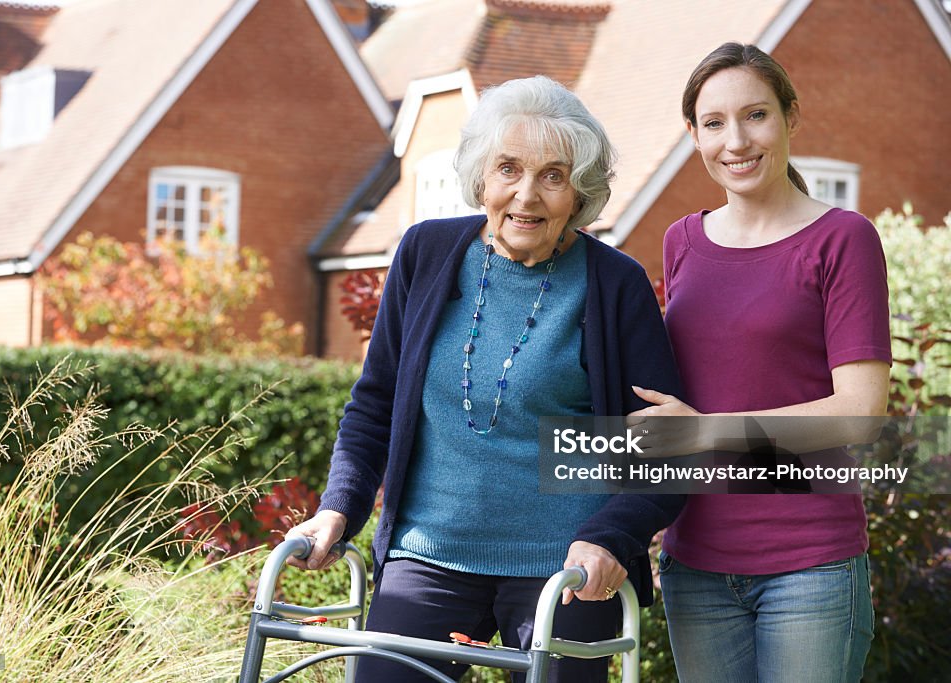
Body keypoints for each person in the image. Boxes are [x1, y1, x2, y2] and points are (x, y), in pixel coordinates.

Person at [286, 75, 684, 682]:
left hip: (565, 568)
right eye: (508, 169)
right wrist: (339, 508)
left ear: (579, 191)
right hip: (429, 553)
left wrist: (610, 538)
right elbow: (374, 405)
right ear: (480, 176)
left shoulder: (615, 285)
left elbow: (668, 450)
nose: (527, 195)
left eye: (553, 175)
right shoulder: (425, 253)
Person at [627, 43, 892, 682]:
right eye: (714, 123)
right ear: (693, 135)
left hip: (811, 562)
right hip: (697, 562)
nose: (736, 140)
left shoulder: (843, 239)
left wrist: (704, 431)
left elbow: (860, 412)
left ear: (790, 118)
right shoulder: (681, 241)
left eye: (756, 115)